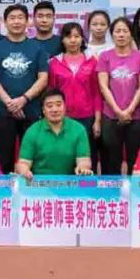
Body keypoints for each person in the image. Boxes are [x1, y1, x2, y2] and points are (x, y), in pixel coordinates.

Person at [0, 4, 49, 174]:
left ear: (27, 21)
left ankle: (32, 191)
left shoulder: (37, 47)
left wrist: (23, 99)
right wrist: (10, 103)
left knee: (33, 158)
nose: (16, 22)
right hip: (3, 111)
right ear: (5, 22)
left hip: (31, 110)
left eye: (20, 18)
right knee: (3, 158)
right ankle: (4, 190)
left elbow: (43, 78)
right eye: (12, 18)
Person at [97, 17, 140, 175]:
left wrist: (130, 110)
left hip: (136, 116)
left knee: (135, 159)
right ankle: (112, 190)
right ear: (112, 34)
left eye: (125, 31)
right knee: (111, 160)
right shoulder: (105, 56)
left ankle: (134, 189)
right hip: (110, 116)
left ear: (131, 34)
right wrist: (118, 111)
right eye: (117, 31)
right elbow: (103, 86)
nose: (121, 35)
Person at [48, 22, 101, 172]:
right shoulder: (54, 63)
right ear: (62, 40)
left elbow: (97, 93)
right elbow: (50, 94)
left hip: (87, 118)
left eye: (77, 36)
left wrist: (97, 120)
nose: (73, 40)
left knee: (88, 157)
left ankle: (88, 187)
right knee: (64, 158)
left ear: (82, 39)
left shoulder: (92, 61)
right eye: (68, 36)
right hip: (62, 118)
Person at [14, 89, 94, 180]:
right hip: (39, 183)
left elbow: (84, 160)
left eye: (58, 105)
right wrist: (24, 171)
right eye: (49, 106)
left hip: (69, 183)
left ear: (65, 107)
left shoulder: (78, 129)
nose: (55, 109)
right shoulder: (32, 131)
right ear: (43, 110)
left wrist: (83, 168)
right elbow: (24, 162)